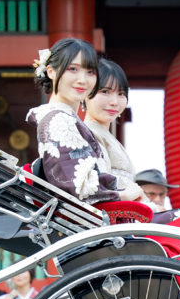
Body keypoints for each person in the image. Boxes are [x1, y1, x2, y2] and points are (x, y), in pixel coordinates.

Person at [27, 38, 136, 204]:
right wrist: (123, 194)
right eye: (73, 69)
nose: (83, 79)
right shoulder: (58, 119)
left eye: (90, 72)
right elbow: (76, 186)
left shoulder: (67, 119)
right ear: (51, 72)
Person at [83, 58, 146, 203]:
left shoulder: (104, 135)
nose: (114, 102)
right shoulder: (88, 133)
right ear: (85, 94)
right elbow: (100, 187)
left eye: (121, 94)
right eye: (105, 91)